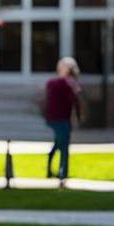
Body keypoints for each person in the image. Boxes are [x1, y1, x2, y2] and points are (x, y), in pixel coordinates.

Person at [43, 56, 83, 185]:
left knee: (59, 144)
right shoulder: (67, 83)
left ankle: (51, 170)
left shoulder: (55, 83)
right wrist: (78, 116)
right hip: (60, 119)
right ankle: (62, 173)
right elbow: (76, 100)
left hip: (57, 119)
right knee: (64, 146)